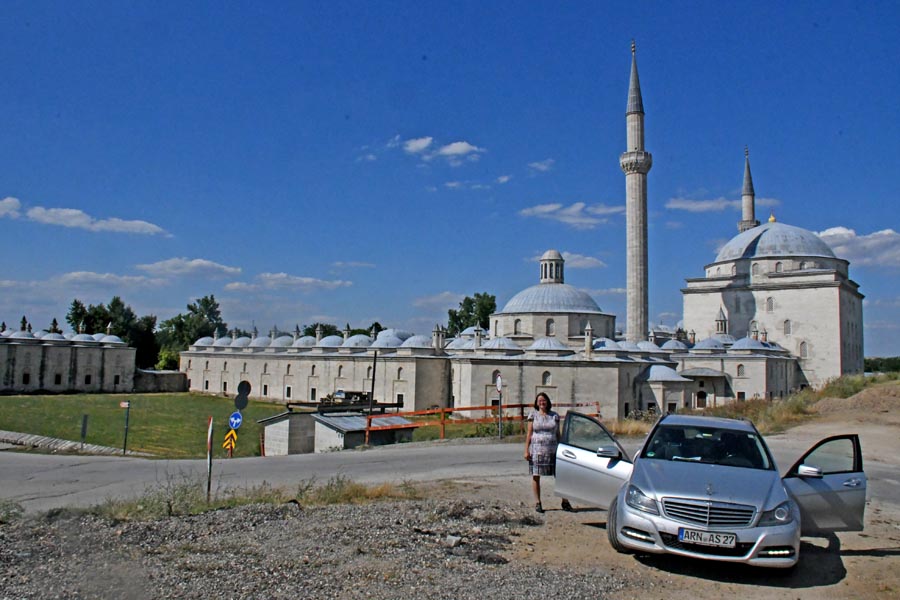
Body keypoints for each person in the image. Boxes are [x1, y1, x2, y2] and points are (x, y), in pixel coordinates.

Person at [524, 392, 573, 513]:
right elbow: (529, 434)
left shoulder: (554, 416)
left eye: (544, 400)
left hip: (553, 450)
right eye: (539, 401)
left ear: (548, 402)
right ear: (536, 403)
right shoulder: (533, 415)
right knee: (536, 475)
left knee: (560, 475)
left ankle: (565, 501)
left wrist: (562, 448)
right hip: (537, 450)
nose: (542, 403)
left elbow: (558, 434)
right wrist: (526, 450)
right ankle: (538, 503)